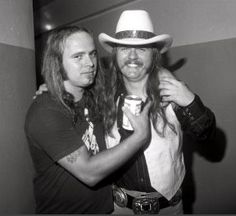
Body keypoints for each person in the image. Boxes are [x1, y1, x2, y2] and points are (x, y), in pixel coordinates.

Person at [98, 10, 216, 214]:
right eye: (125, 48)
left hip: (169, 209)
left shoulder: (171, 91)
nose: (132, 56)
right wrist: (48, 92)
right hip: (120, 208)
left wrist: (189, 101)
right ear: (115, 54)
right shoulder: (103, 96)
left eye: (141, 49)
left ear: (153, 56)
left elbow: (206, 134)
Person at [24, 26, 151, 214]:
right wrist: (139, 137)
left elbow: (140, 74)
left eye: (92, 54)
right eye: (78, 57)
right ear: (57, 62)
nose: (90, 63)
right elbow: (89, 172)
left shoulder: (94, 96)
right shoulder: (45, 111)